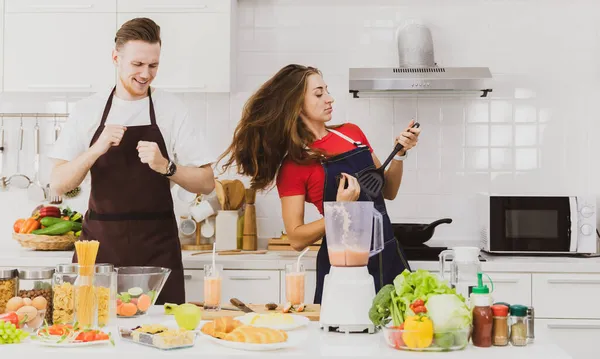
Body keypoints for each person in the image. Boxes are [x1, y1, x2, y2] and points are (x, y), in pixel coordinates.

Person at [219, 64, 421, 304]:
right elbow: (296, 238)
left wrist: (400, 155)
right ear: (296, 103)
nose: (329, 98)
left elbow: (388, 191)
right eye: (319, 93)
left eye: (327, 90)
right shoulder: (295, 166)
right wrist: (340, 210)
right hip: (344, 269)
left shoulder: (352, 133)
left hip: (389, 257)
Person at [48, 18, 215, 304]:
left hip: (157, 250)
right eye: (137, 64)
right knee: (95, 332)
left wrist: (167, 167)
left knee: (164, 334)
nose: (145, 74)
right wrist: (95, 150)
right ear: (116, 58)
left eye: (153, 66)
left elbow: (207, 182)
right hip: (100, 249)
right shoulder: (87, 110)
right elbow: (58, 184)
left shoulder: (172, 110)